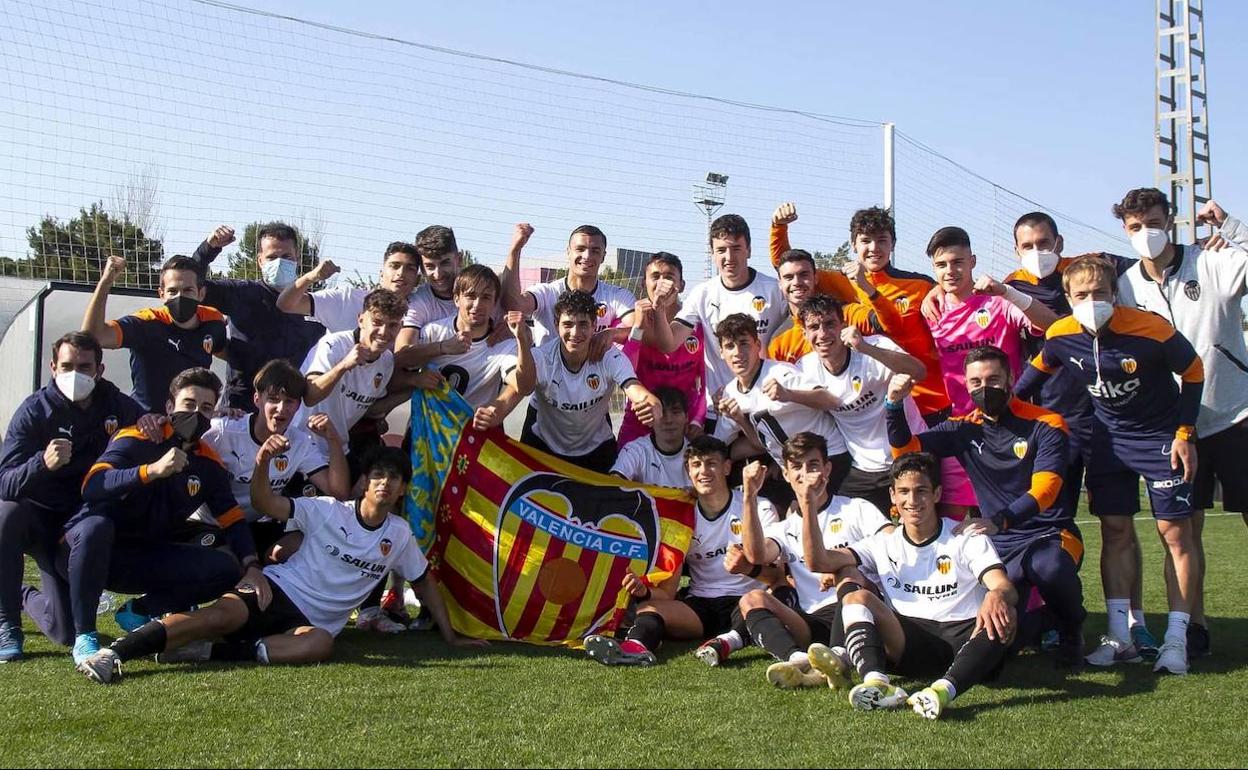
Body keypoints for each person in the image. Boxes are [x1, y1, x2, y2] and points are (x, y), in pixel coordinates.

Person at [75, 446, 483, 684]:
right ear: (363, 482)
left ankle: (210, 655)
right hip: (277, 590)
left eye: (394, 479)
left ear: (403, 490)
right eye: (378, 475)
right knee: (220, 615)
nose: (385, 483)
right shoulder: (326, 509)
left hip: (310, 621)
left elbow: (425, 582)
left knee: (320, 645)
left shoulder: (400, 535)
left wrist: (450, 638)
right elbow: (269, 504)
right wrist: (263, 462)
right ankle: (115, 653)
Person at [1016, 255, 1203, 675]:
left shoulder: (1151, 327)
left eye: (1099, 293)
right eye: (1081, 295)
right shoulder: (1061, 332)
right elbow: (1031, 380)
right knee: (1115, 530)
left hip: (1159, 438)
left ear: (1114, 294)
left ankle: (1177, 639)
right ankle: (1119, 637)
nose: (1091, 301)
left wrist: (1185, 433)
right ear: (1068, 298)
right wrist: (1003, 413)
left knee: (1174, 533)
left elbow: (1193, 371)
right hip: (1107, 441)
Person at [886, 347, 1086, 667]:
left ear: (1011, 378)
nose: (984, 388)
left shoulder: (1046, 423)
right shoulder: (963, 428)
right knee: (1003, 642)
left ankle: (1071, 628)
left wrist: (999, 520)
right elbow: (905, 451)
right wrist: (894, 405)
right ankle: (1039, 623)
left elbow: (1046, 491)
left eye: (993, 379)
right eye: (976, 381)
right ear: (966, 384)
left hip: (1049, 533)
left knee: (1049, 567)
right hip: (999, 544)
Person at [1112, 189, 1248, 658]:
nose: (1145, 234)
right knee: (1183, 531)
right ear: (1124, 231)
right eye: (1134, 227)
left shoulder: (1212, 261)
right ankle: (1193, 626)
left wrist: (1230, 226)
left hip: (1234, 415)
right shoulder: (1126, 285)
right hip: (1175, 428)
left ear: (1170, 221)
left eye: (1153, 222)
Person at [60, 368, 259, 670]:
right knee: (96, 528)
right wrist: (150, 471)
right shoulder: (138, 436)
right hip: (90, 550)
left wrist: (252, 566)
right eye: (189, 404)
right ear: (169, 407)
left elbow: (231, 519)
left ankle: (141, 610)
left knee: (224, 568)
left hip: (144, 557)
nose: (196, 414)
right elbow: (93, 486)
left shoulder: (208, 462)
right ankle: (85, 634)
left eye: (206, 408)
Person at [800, 452, 1018, 720]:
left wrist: (996, 594)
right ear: (892, 495)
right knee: (852, 587)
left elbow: (1004, 585)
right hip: (909, 641)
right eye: (903, 491)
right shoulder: (881, 542)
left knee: (1006, 610)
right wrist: (808, 504)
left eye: (921, 491)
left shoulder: (964, 536)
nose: (912, 501)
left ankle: (942, 691)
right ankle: (877, 684)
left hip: (964, 636)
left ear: (937, 494)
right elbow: (818, 561)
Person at [0, 332, 145, 660]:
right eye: (66, 366)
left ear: (100, 369)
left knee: (62, 631)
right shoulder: (34, 411)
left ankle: (40, 605)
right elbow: (5, 484)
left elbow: (155, 429)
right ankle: (6, 622)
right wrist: (41, 463)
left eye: (84, 366)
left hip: (77, 524)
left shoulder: (118, 406)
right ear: (53, 367)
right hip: (36, 520)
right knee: (5, 513)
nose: (75, 374)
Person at [583, 435, 778, 665]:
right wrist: (643, 591)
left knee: (765, 603)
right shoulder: (681, 517)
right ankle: (634, 648)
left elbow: (778, 577)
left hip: (747, 600)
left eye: (711, 463)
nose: (703, 471)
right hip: (702, 605)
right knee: (649, 609)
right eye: (696, 465)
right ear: (688, 470)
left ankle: (728, 641)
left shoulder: (760, 506)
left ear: (727, 467)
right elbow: (668, 591)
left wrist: (749, 568)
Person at [731, 434, 891, 688]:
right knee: (751, 599)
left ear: (827, 469)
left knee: (846, 573)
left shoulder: (856, 508)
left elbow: (891, 541)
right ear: (785, 474)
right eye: (797, 467)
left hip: (858, 609)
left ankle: (839, 656)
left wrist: (843, 563)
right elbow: (756, 555)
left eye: (813, 465)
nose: (805, 475)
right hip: (811, 621)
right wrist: (750, 495)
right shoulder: (785, 527)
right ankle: (798, 661)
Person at [770, 203, 950, 422]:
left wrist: (941, 288)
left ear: (893, 244)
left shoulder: (919, 286)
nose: (874, 248)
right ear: (853, 245)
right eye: (865, 240)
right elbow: (789, 266)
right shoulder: (840, 281)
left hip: (930, 400)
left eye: (882, 240)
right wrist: (778, 227)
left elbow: (956, 301)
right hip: (877, 407)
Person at [652, 214, 788, 429]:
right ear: (713, 254)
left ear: (749, 250)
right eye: (721, 250)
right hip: (720, 409)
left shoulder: (774, 290)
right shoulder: (703, 294)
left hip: (765, 407)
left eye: (736, 248)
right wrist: (659, 309)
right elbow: (669, 343)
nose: (729, 257)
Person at [202, 359, 350, 557]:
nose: (281, 409)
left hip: (253, 525)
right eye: (273, 399)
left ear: (298, 406)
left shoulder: (300, 442)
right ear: (257, 399)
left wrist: (333, 439)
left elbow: (339, 492)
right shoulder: (223, 431)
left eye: (289, 401)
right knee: (227, 565)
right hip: (209, 524)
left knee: (306, 545)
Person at [793, 295, 926, 513]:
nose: (823, 334)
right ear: (804, 334)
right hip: (863, 469)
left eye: (830, 324)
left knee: (920, 528)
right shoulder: (804, 370)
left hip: (910, 455)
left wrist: (864, 347)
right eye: (814, 327)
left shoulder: (874, 346)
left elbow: (919, 371)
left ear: (843, 325)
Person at [711, 313, 849, 507]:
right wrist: (740, 420)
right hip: (792, 470)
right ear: (721, 352)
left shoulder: (780, 373)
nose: (737, 353)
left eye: (744, 343)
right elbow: (755, 445)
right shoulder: (730, 392)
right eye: (730, 346)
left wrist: (789, 394)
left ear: (757, 345)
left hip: (829, 459)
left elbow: (829, 400)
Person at [190, 222, 326, 410]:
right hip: (240, 411)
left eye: (286, 257)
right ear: (260, 261)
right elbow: (190, 285)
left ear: (298, 259)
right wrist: (209, 248)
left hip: (292, 413)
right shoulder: (242, 293)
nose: (279, 263)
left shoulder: (317, 306)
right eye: (272, 257)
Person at [523, 290, 662, 474]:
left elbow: (634, 388)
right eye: (568, 324)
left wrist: (653, 404)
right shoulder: (541, 358)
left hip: (595, 450)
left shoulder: (609, 357)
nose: (575, 333)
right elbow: (514, 393)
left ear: (594, 325)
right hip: (544, 447)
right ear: (556, 325)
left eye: (583, 325)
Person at [81, 254, 228, 411]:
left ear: (201, 294)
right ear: (162, 294)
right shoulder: (146, 322)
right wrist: (106, 282)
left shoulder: (213, 320)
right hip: (146, 421)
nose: (180, 297)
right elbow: (92, 338)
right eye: (172, 291)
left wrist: (217, 409)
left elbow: (227, 353)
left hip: (192, 419)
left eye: (188, 290)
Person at [294, 288, 416, 471]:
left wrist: (414, 387)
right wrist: (344, 365)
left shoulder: (387, 361)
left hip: (337, 449)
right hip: (302, 446)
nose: (383, 332)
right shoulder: (334, 345)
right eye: (377, 322)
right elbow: (310, 396)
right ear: (361, 319)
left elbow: (370, 409)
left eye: (392, 325)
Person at [417, 265, 536, 410]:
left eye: (486, 297)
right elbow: (399, 366)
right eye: (470, 296)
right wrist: (441, 348)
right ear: (456, 299)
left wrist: (522, 340)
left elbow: (524, 388)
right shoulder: (433, 332)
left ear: (494, 302)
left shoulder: (504, 346)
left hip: (472, 430)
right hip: (427, 429)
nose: (477, 304)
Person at [617, 252, 706, 446]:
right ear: (644, 283)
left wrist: (698, 419)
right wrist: (638, 328)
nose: (662, 284)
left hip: (682, 425)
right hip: (641, 420)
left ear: (681, 286)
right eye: (655, 277)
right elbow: (624, 370)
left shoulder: (697, 324)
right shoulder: (635, 319)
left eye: (669, 277)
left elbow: (706, 379)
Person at [501, 223, 636, 344]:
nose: (587, 256)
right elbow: (514, 305)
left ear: (603, 256)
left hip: (597, 371)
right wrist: (515, 250)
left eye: (595, 251)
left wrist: (613, 333)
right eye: (580, 249)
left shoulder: (618, 296)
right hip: (550, 371)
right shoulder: (546, 293)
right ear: (568, 252)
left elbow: (640, 332)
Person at [766, 246, 901, 364]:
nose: (797, 282)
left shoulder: (845, 314)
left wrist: (866, 286)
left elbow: (889, 323)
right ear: (780, 284)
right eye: (789, 277)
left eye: (804, 275)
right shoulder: (779, 340)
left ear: (816, 278)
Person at [277, 241, 423, 334]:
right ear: (381, 273)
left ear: (417, 280)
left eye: (410, 268)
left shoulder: (420, 314)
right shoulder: (346, 299)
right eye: (394, 266)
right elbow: (286, 305)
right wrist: (310, 277)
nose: (401, 273)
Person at [609, 387, 692, 488]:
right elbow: (614, 486)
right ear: (650, 418)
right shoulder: (636, 450)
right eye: (661, 412)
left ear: (686, 417)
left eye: (675, 412)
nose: (669, 420)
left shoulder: (697, 453)